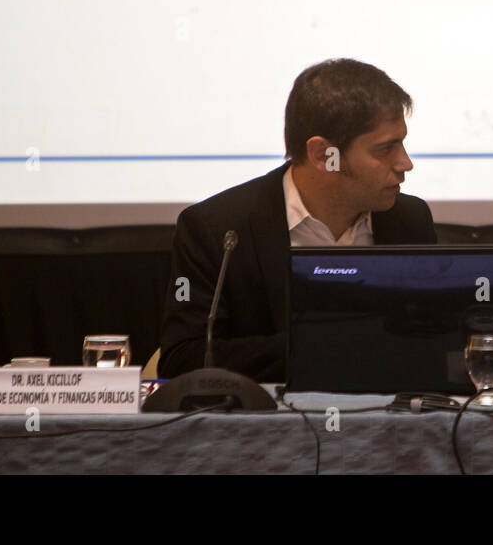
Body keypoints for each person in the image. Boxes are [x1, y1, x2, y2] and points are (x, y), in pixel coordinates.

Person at [159, 59, 437, 382]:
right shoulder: (217, 230)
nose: (405, 163)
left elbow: (430, 345)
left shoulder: (410, 221)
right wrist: (323, 345)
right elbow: (183, 359)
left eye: (402, 143)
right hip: (263, 429)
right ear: (323, 155)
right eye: (386, 149)